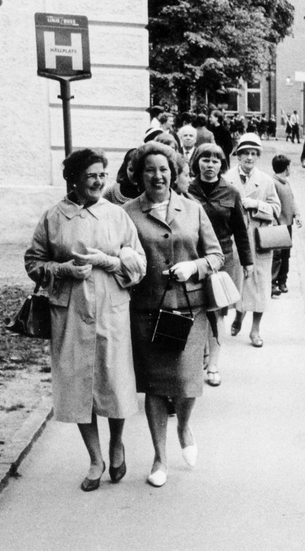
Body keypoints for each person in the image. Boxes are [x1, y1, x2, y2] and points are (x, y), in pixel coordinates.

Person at [25, 149, 147, 491]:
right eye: (90, 175)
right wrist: (62, 269)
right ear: (73, 179)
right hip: (71, 310)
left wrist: (109, 261)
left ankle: (116, 443)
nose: (97, 181)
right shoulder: (54, 217)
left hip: (112, 306)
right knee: (80, 385)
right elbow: (33, 261)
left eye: (101, 175)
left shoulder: (117, 215)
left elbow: (139, 262)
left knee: (115, 379)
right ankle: (95, 458)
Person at [123, 142, 224, 488]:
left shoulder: (193, 209)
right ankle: (159, 457)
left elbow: (216, 256)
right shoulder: (127, 213)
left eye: (164, 169)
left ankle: (183, 425)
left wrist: (194, 267)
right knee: (154, 386)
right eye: (150, 169)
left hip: (188, 309)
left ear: (174, 173)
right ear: (139, 174)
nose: (158, 175)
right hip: (147, 310)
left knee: (185, 382)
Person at [188, 144, 253, 388]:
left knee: (216, 312)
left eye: (216, 160)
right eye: (205, 159)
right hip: (192, 259)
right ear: (197, 162)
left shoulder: (231, 193)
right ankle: (196, 359)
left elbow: (240, 230)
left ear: (222, 165)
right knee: (193, 311)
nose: (210, 164)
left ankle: (213, 364)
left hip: (222, 260)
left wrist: (247, 261)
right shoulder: (186, 190)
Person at [227, 134, 282, 347]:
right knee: (238, 282)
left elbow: (276, 210)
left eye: (253, 154)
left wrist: (256, 205)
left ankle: (255, 329)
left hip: (258, 239)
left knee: (259, 285)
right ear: (238, 156)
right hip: (234, 239)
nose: (249, 158)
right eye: (245, 153)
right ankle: (239, 316)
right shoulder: (227, 178)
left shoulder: (266, 180)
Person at [270, 154, 300, 298]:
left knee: (286, 255)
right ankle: (272, 283)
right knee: (277, 256)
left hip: (287, 225)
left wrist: (297, 214)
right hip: (277, 226)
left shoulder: (286, 182)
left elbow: (292, 200)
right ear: (286, 168)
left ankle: (283, 281)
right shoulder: (273, 183)